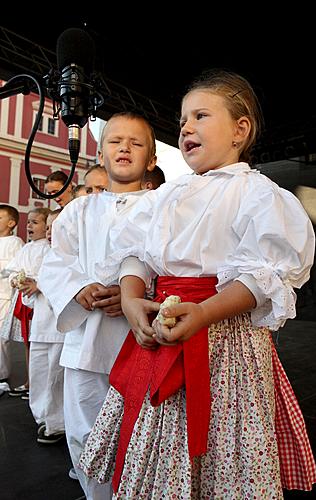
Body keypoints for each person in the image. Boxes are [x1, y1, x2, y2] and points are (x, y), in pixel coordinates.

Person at [79, 70, 316, 498]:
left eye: (201, 115)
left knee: (223, 439)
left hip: (225, 340)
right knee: (158, 435)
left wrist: (207, 311)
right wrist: (134, 299)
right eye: (183, 120)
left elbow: (264, 273)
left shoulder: (259, 194)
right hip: (165, 330)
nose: (186, 127)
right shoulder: (166, 195)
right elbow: (136, 252)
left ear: (239, 130)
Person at [38, 111, 157, 499]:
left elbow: (171, 263)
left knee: (141, 433)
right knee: (85, 432)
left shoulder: (163, 208)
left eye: (136, 143)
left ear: (151, 160)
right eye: (115, 141)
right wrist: (80, 288)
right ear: (101, 156)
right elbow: (57, 260)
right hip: (87, 344)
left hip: (142, 342)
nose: (125, 147)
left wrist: (135, 297)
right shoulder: (79, 211)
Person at [21, 208, 65, 444]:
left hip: (58, 328)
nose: (49, 232)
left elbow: (65, 285)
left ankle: (57, 422)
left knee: (55, 376)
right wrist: (29, 286)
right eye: (47, 227)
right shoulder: (45, 254)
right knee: (39, 371)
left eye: (54, 227)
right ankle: (41, 416)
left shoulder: (71, 255)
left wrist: (39, 285)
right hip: (41, 323)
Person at [0, 208, 50, 398]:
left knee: (37, 342)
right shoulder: (27, 247)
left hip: (38, 299)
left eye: (35, 222)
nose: (29, 226)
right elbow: (13, 268)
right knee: (28, 343)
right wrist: (14, 278)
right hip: (23, 298)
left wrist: (34, 281)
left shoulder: (47, 248)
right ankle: (30, 381)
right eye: (28, 222)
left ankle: (38, 385)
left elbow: (47, 273)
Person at [0, 205, 24, 396]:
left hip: (4, 295)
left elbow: (16, 268)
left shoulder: (15, 242)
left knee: (1, 338)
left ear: (11, 223)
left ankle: (2, 375)